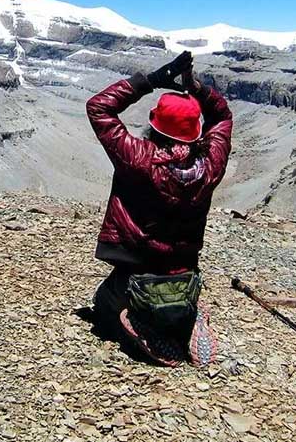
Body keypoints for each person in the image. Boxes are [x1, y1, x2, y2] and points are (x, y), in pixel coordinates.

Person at [86, 51, 233, 367]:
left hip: (138, 269)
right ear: (195, 133)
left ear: (155, 127)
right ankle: (187, 319)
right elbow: (221, 118)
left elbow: (98, 108)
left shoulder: (139, 158)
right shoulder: (210, 166)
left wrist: (150, 81)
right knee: (173, 296)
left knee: (103, 305)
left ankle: (144, 330)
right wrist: (197, 89)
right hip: (185, 271)